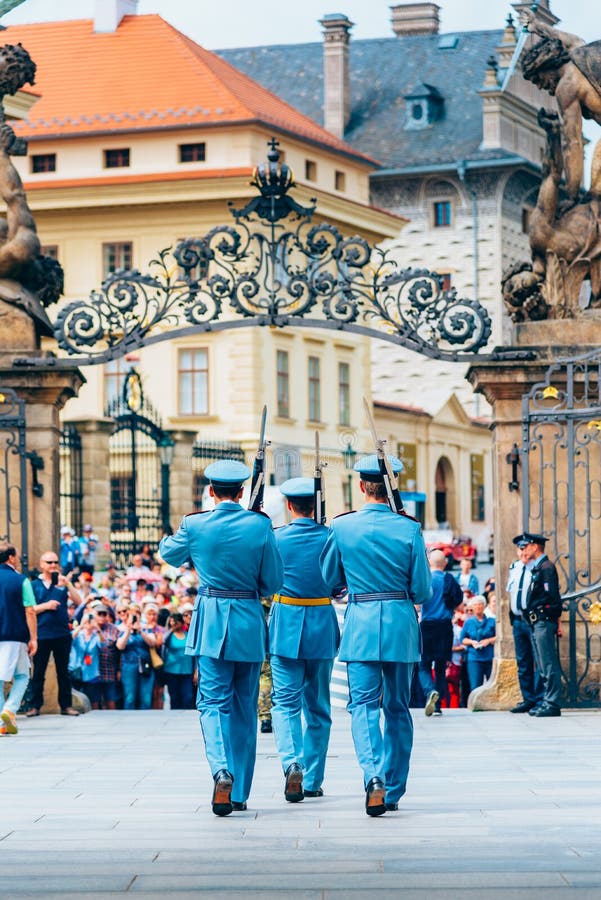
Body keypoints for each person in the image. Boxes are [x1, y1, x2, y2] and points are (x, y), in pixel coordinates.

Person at [159, 459, 283, 816]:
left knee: (212, 704)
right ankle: (240, 790)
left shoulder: (196, 524)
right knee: (244, 708)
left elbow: (170, 554)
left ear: (210, 492)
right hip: (246, 621)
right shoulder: (260, 525)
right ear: (242, 492)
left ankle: (220, 770)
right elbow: (273, 582)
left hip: (212, 620)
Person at [320, 454, 431, 817]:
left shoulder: (342, 526)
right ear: (392, 486)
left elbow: (329, 579)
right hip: (399, 624)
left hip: (362, 624)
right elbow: (422, 590)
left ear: (360, 486)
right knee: (397, 708)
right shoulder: (409, 528)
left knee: (363, 707)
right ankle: (394, 788)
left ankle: (373, 778)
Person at [269, 477, 341, 802]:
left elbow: (266, 579)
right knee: (319, 707)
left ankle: (292, 764)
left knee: (284, 703)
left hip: (286, 624)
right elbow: (340, 583)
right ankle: (312, 781)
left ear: (288, 505)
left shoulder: (276, 538)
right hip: (321, 625)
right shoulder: (330, 537)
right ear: (316, 505)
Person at [521, 9, 601, 202]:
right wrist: (537, 27)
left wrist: (572, 197)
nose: (541, 87)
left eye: (538, 80)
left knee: (595, 193)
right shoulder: (579, 51)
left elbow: (573, 144)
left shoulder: (567, 87)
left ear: (547, 67)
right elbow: (563, 38)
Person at [27, 550, 81, 717]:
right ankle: (35, 706)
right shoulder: (33, 585)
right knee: (38, 672)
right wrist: (46, 606)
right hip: (41, 634)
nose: (53, 565)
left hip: (62, 634)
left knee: (63, 672)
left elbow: (80, 602)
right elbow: (28, 609)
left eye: (55, 562)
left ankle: (66, 705)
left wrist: (69, 585)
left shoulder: (62, 584)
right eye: (49, 562)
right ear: (42, 565)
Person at [520, 533, 564, 717]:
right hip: (536, 621)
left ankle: (552, 702)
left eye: (526, 546)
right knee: (542, 663)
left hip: (543, 621)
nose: (524, 550)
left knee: (548, 663)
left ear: (535, 547)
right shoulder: (539, 567)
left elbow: (552, 598)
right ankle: (547, 699)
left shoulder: (546, 567)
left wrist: (546, 614)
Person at [418, 548, 462, 717]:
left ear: (429, 562)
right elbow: (458, 604)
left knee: (424, 665)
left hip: (427, 626)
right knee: (441, 666)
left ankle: (429, 692)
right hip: (445, 626)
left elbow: (416, 601)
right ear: (445, 563)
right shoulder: (450, 579)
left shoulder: (425, 578)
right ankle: (437, 706)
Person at [0, 542, 37, 736]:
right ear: (11, 558)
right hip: (14, 635)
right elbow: (30, 611)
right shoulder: (21, 580)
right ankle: (10, 709)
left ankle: (2, 722)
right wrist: (34, 638)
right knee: (23, 676)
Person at [507, 537, 545, 714]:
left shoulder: (537, 569)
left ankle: (539, 698)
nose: (522, 553)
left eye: (525, 549)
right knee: (523, 662)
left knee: (538, 661)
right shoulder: (514, 568)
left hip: (532, 620)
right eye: (519, 550)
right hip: (517, 619)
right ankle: (527, 698)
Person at [116, 604, 157, 710]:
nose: (134, 618)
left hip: (145, 666)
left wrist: (140, 631)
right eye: (132, 615)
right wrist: (128, 630)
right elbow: (120, 646)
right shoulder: (122, 630)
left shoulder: (147, 629)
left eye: (136, 615)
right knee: (130, 697)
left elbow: (152, 643)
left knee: (146, 698)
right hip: (129, 666)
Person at [460, 596, 496, 691]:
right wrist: (472, 642)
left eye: (480, 604)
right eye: (476, 605)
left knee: (491, 686)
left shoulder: (492, 621)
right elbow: (462, 639)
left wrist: (488, 641)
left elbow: (499, 636)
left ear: (484, 606)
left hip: (489, 657)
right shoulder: (468, 622)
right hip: (474, 658)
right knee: (475, 686)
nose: (478, 607)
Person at [162, 612, 195, 710]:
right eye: (171, 622)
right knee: (174, 697)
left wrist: (196, 670)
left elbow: (194, 653)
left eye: (176, 621)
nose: (174, 623)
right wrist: (171, 629)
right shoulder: (169, 635)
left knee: (188, 696)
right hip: (171, 670)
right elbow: (163, 641)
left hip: (187, 670)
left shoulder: (188, 635)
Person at [94, 603, 120, 710]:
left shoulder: (114, 629)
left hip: (109, 669)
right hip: (93, 670)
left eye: (104, 614)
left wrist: (119, 669)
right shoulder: (88, 627)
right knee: (94, 699)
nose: (101, 617)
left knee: (110, 699)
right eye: (99, 614)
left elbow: (119, 651)